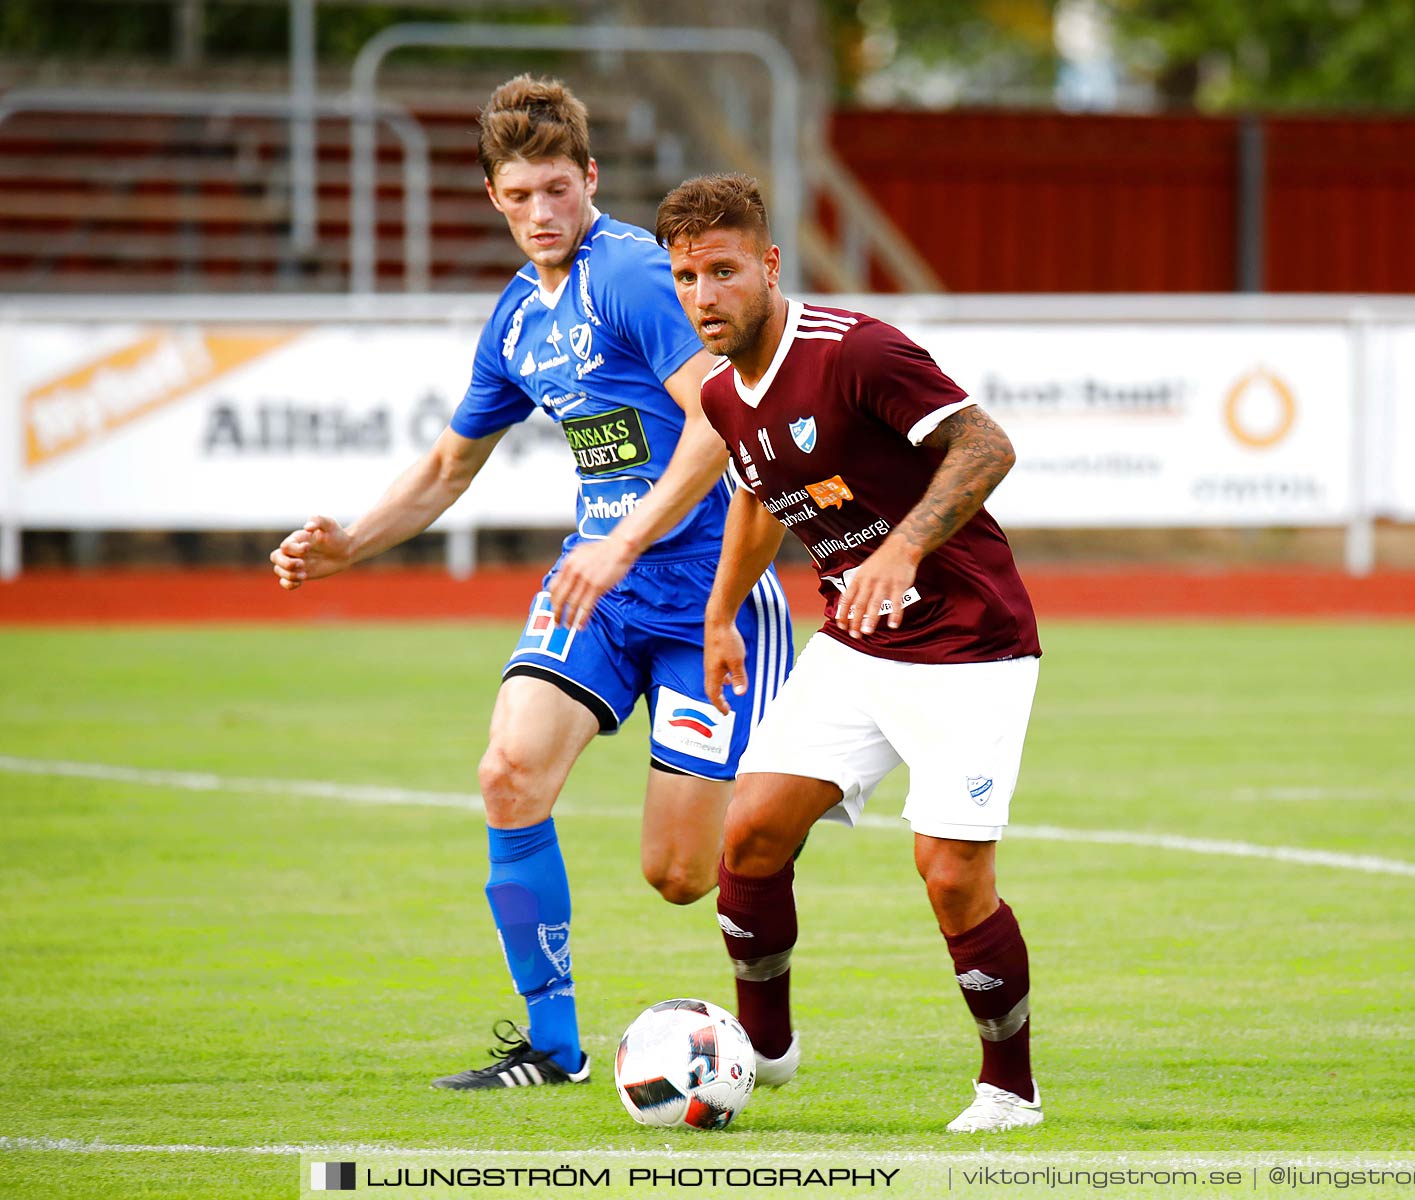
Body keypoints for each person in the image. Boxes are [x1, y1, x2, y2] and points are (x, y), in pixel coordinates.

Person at [268, 81, 791, 1091]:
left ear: (591, 179)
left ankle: (793, 802)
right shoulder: (517, 319)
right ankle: (553, 1048)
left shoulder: (636, 273)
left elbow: (719, 422)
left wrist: (624, 542)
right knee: (507, 772)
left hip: (707, 594)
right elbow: (447, 468)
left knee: (679, 877)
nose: (544, 213)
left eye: (560, 188)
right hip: (597, 586)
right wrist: (355, 541)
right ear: (494, 198)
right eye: (521, 196)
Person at [654, 173, 1045, 1133]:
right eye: (686, 277)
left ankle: (1010, 1088)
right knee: (748, 835)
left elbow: (987, 444)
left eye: (724, 270)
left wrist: (905, 545)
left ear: (769, 265)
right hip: (856, 646)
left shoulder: (855, 350)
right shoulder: (722, 396)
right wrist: (717, 617)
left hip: (969, 646)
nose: (706, 295)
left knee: (951, 875)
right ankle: (763, 1052)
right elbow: (756, 498)